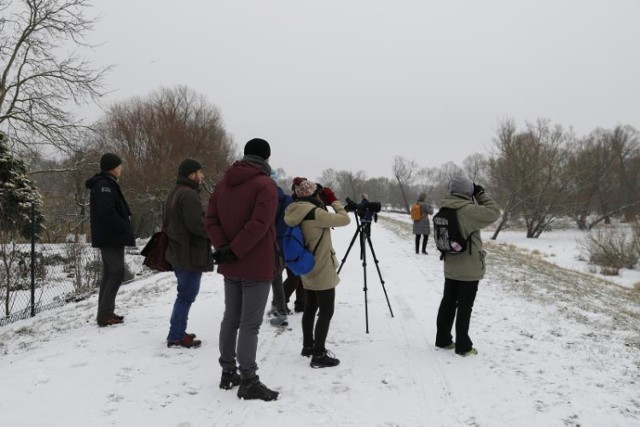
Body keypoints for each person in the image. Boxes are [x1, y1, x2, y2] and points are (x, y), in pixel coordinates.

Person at [205, 138, 279, 401]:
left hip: (231, 264)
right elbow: (260, 223)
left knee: (231, 319)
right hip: (256, 263)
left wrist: (224, 247)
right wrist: (235, 249)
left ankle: (228, 372)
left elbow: (210, 219)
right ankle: (248, 379)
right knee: (250, 325)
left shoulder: (223, 184)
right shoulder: (265, 185)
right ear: (266, 158)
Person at [284, 177, 350, 368]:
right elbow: (345, 219)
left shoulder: (294, 210)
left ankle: (308, 346)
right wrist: (334, 200)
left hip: (307, 266)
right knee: (326, 311)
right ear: (312, 193)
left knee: (310, 308)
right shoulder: (316, 213)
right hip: (322, 268)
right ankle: (319, 354)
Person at [434, 176, 500, 357]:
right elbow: (494, 212)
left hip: (450, 265)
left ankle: (443, 339)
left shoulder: (444, 207)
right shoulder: (468, 211)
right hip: (469, 268)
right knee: (465, 306)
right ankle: (463, 346)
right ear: (468, 192)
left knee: (448, 302)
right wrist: (481, 193)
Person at [164, 159, 213, 349]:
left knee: (184, 294)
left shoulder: (175, 193)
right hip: (189, 254)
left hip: (179, 251)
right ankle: (176, 335)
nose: (202, 176)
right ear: (191, 175)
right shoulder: (189, 195)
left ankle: (177, 331)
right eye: (200, 172)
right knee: (186, 295)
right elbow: (197, 226)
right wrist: (214, 232)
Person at [85, 153, 135, 327]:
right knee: (116, 273)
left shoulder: (107, 184)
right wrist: (123, 226)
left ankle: (105, 313)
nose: (121, 168)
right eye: (119, 165)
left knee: (109, 274)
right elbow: (107, 212)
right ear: (112, 167)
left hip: (111, 236)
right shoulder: (104, 186)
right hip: (110, 237)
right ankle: (105, 315)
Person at [267, 178, 293, 327]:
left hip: (271, 245)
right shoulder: (288, 199)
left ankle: (281, 312)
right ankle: (277, 308)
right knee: (276, 279)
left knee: (275, 279)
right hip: (285, 245)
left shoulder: (267, 199)